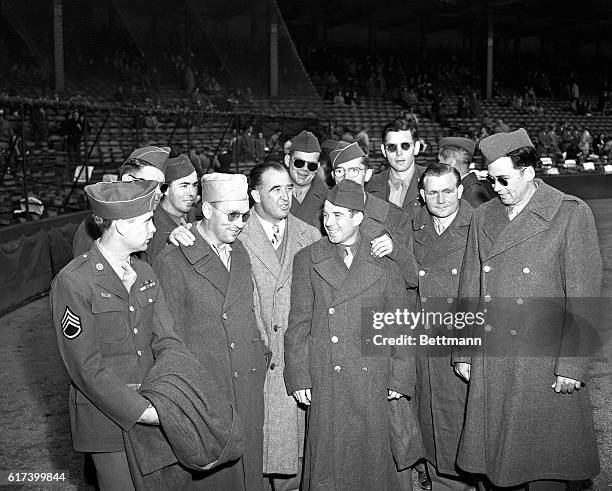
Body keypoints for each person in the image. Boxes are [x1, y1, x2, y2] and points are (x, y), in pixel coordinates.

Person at [454, 128, 602, 490]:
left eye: (504, 179)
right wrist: (461, 350)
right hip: (493, 358)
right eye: (491, 180)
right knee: (498, 467)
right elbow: (469, 290)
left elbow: (583, 295)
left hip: (544, 360)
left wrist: (572, 364)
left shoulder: (569, 213)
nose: (496, 187)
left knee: (545, 465)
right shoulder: (483, 216)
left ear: (529, 172)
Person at [50, 180, 187, 490]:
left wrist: (177, 391)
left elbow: (167, 340)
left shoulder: (146, 273)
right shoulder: (74, 282)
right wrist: (142, 411)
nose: (154, 229)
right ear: (123, 226)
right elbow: (86, 369)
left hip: (156, 408)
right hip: (107, 423)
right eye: (147, 221)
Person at [284, 179, 414, 490]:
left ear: (358, 218)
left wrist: (399, 377)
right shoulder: (308, 258)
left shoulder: (383, 260)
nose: (329, 223)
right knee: (329, 463)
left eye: (338, 215)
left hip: (373, 374)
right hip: (327, 374)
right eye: (326, 215)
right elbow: (299, 323)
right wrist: (299, 375)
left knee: (370, 464)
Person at [154, 173, 271, 491]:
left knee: (251, 475)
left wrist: (261, 354)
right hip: (212, 392)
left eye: (244, 215)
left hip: (247, 385)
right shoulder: (174, 260)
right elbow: (170, 342)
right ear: (206, 210)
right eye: (232, 215)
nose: (240, 223)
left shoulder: (241, 253)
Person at [240, 162, 321, 490]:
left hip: (293, 373)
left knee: (293, 467)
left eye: (289, 188)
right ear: (255, 195)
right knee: (254, 466)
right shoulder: (234, 235)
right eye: (276, 189)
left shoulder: (310, 235)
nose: (286, 196)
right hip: (253, 372)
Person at [412, 164, 475, 490]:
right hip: (423, 345)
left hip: (462, 343)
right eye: (433, 192)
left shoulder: (479, 226)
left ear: (460, 191)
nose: (441, 199)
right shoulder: (413, 229)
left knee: (465, 424)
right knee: (430, 422)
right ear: (422, 195)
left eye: (448, 190)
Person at [72, 146, 196, 261]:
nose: (158, 193)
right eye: (149, 185)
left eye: (161, 186)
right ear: (128, 180)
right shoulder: (97, 224)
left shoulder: (155, 218)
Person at [330, 140, 418, 289]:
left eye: (354, 170)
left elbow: (413, 279)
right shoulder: (320, 219)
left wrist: (394, 250)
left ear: (368, 175)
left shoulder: (394, 217)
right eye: (340, 171)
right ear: (333, 176)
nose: (346, 177)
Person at [366, 117, 426, 219]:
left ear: (416, 148)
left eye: (405, 146)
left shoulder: (431, 181)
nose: (399, 153)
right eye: (392, 147)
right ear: (384, 151)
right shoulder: (371, 184)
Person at [148, 154, 199, 258]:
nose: (192, 193)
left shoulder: (200, 216)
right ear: (165, 189)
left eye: (194, 185)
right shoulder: (149, 224)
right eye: (184, 186)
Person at [285, 130, 329, 233]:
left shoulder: (329, 198)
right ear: (287, 160)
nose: (304, 169)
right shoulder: (269, 194)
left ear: (317, 167)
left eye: (311, 165)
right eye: (299, 163)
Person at [438, 136, 494, 208]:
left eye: (440, 160)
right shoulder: (467, 187)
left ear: (451, 161)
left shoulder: (473, 192)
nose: (439, 164)